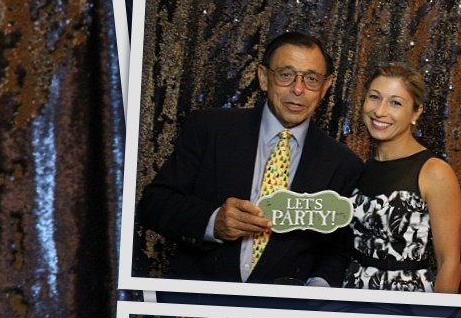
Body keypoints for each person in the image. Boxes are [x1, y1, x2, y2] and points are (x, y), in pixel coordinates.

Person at [136, 31, 363, 285]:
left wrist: (318, 287)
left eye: (311, 79)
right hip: (198, 298)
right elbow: (155, 204)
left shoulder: (344, 164)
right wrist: (212, 221)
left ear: (325, 87)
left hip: (281, 307)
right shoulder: (209, 129)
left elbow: (337, 249)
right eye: (286, 75)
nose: (298, 89)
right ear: (264, 78)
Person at [345, 64, 461, 293]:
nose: (380, 111)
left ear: (416, 112)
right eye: (374, 97)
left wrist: (438, 315)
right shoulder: (362, 167)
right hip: (352, 297)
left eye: (395, 103)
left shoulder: (434, 172)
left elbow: (449, 263)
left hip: (406, 303)